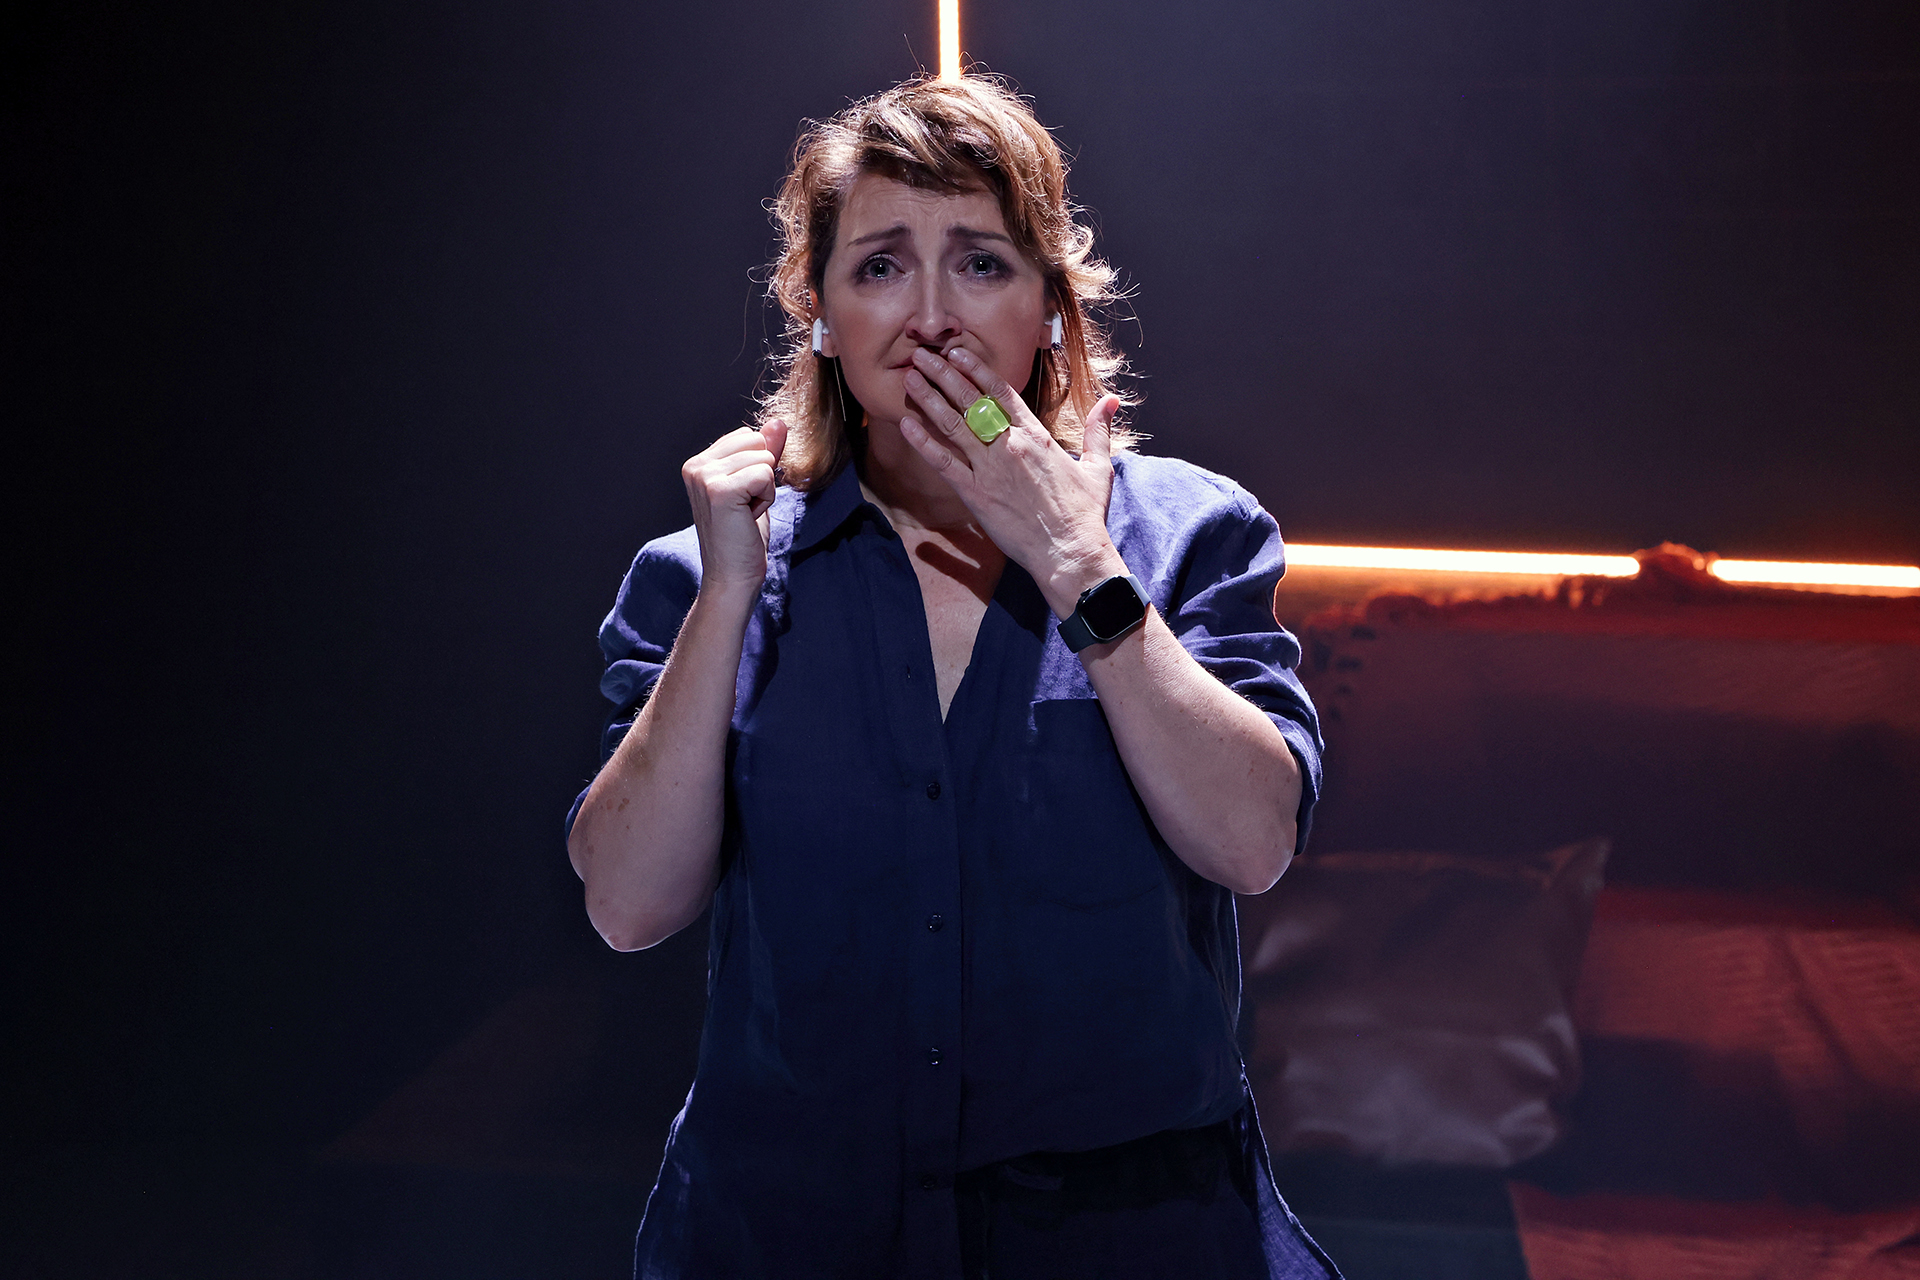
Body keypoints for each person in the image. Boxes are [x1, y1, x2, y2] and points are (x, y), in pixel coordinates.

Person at [566, 75, 1339, 1280]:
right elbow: (625, 904)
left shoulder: (1194, 530)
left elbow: (1252, 842)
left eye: (979, 262)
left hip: (1127, 1243)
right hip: (785, 1235)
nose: (929, 314)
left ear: (1049, 309)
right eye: (879, 266)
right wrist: (729, 594)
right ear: (818, 312)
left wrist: (1076, 559)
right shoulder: (708, 567)